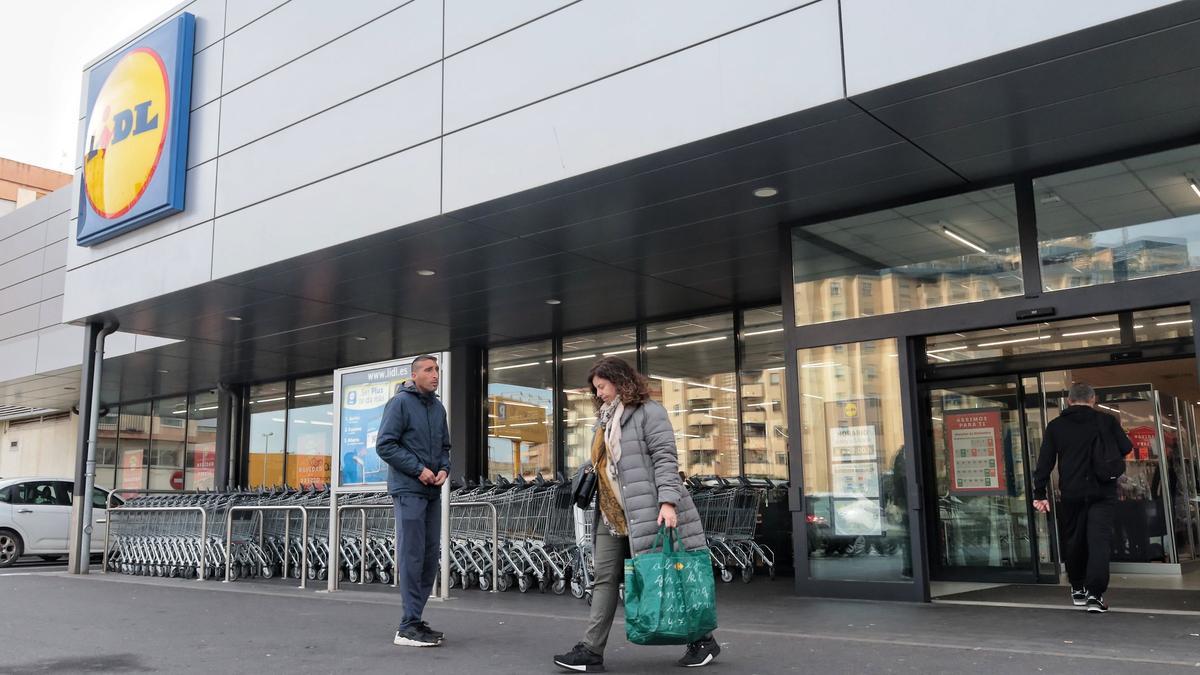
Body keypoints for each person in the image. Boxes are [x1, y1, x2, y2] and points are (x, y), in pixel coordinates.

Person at [553, 357, 720, 672]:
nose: (598, 393)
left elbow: (665, 458)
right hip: (611, 513)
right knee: (604, 577)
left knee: (666, 573)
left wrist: (668, 502)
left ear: (619, 381)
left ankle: (703, 639)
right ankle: (591, 651)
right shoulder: (604, 420)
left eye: (601, 386)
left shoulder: (649, 413)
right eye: (595, 389)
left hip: (647, 510)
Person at [1032, 382, 1132, 613]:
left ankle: (1077, 587)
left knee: (1074, 540)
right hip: (1102, 490)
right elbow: (1125, 447)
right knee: (1099, 542)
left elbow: (1045, 462)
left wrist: (1039, 493)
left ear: (1068, 400)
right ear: (1093, 399)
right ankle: (1094, 595)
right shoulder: (1106, 421)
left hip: (1072, 492)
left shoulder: (1056, 426)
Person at [375, 355, 450, 647]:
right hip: (408, 489)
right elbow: (385, 444)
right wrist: (418, 469)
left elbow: (445, 446)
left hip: (432, 491)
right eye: (429, 370)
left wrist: (444, 468)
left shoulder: (438, 408)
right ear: (414, 375)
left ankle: (415, 620)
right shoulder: (400, 404)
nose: (435, 375)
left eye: (437, 370)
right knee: (412, 555)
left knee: (429, 556)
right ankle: (407, 626)